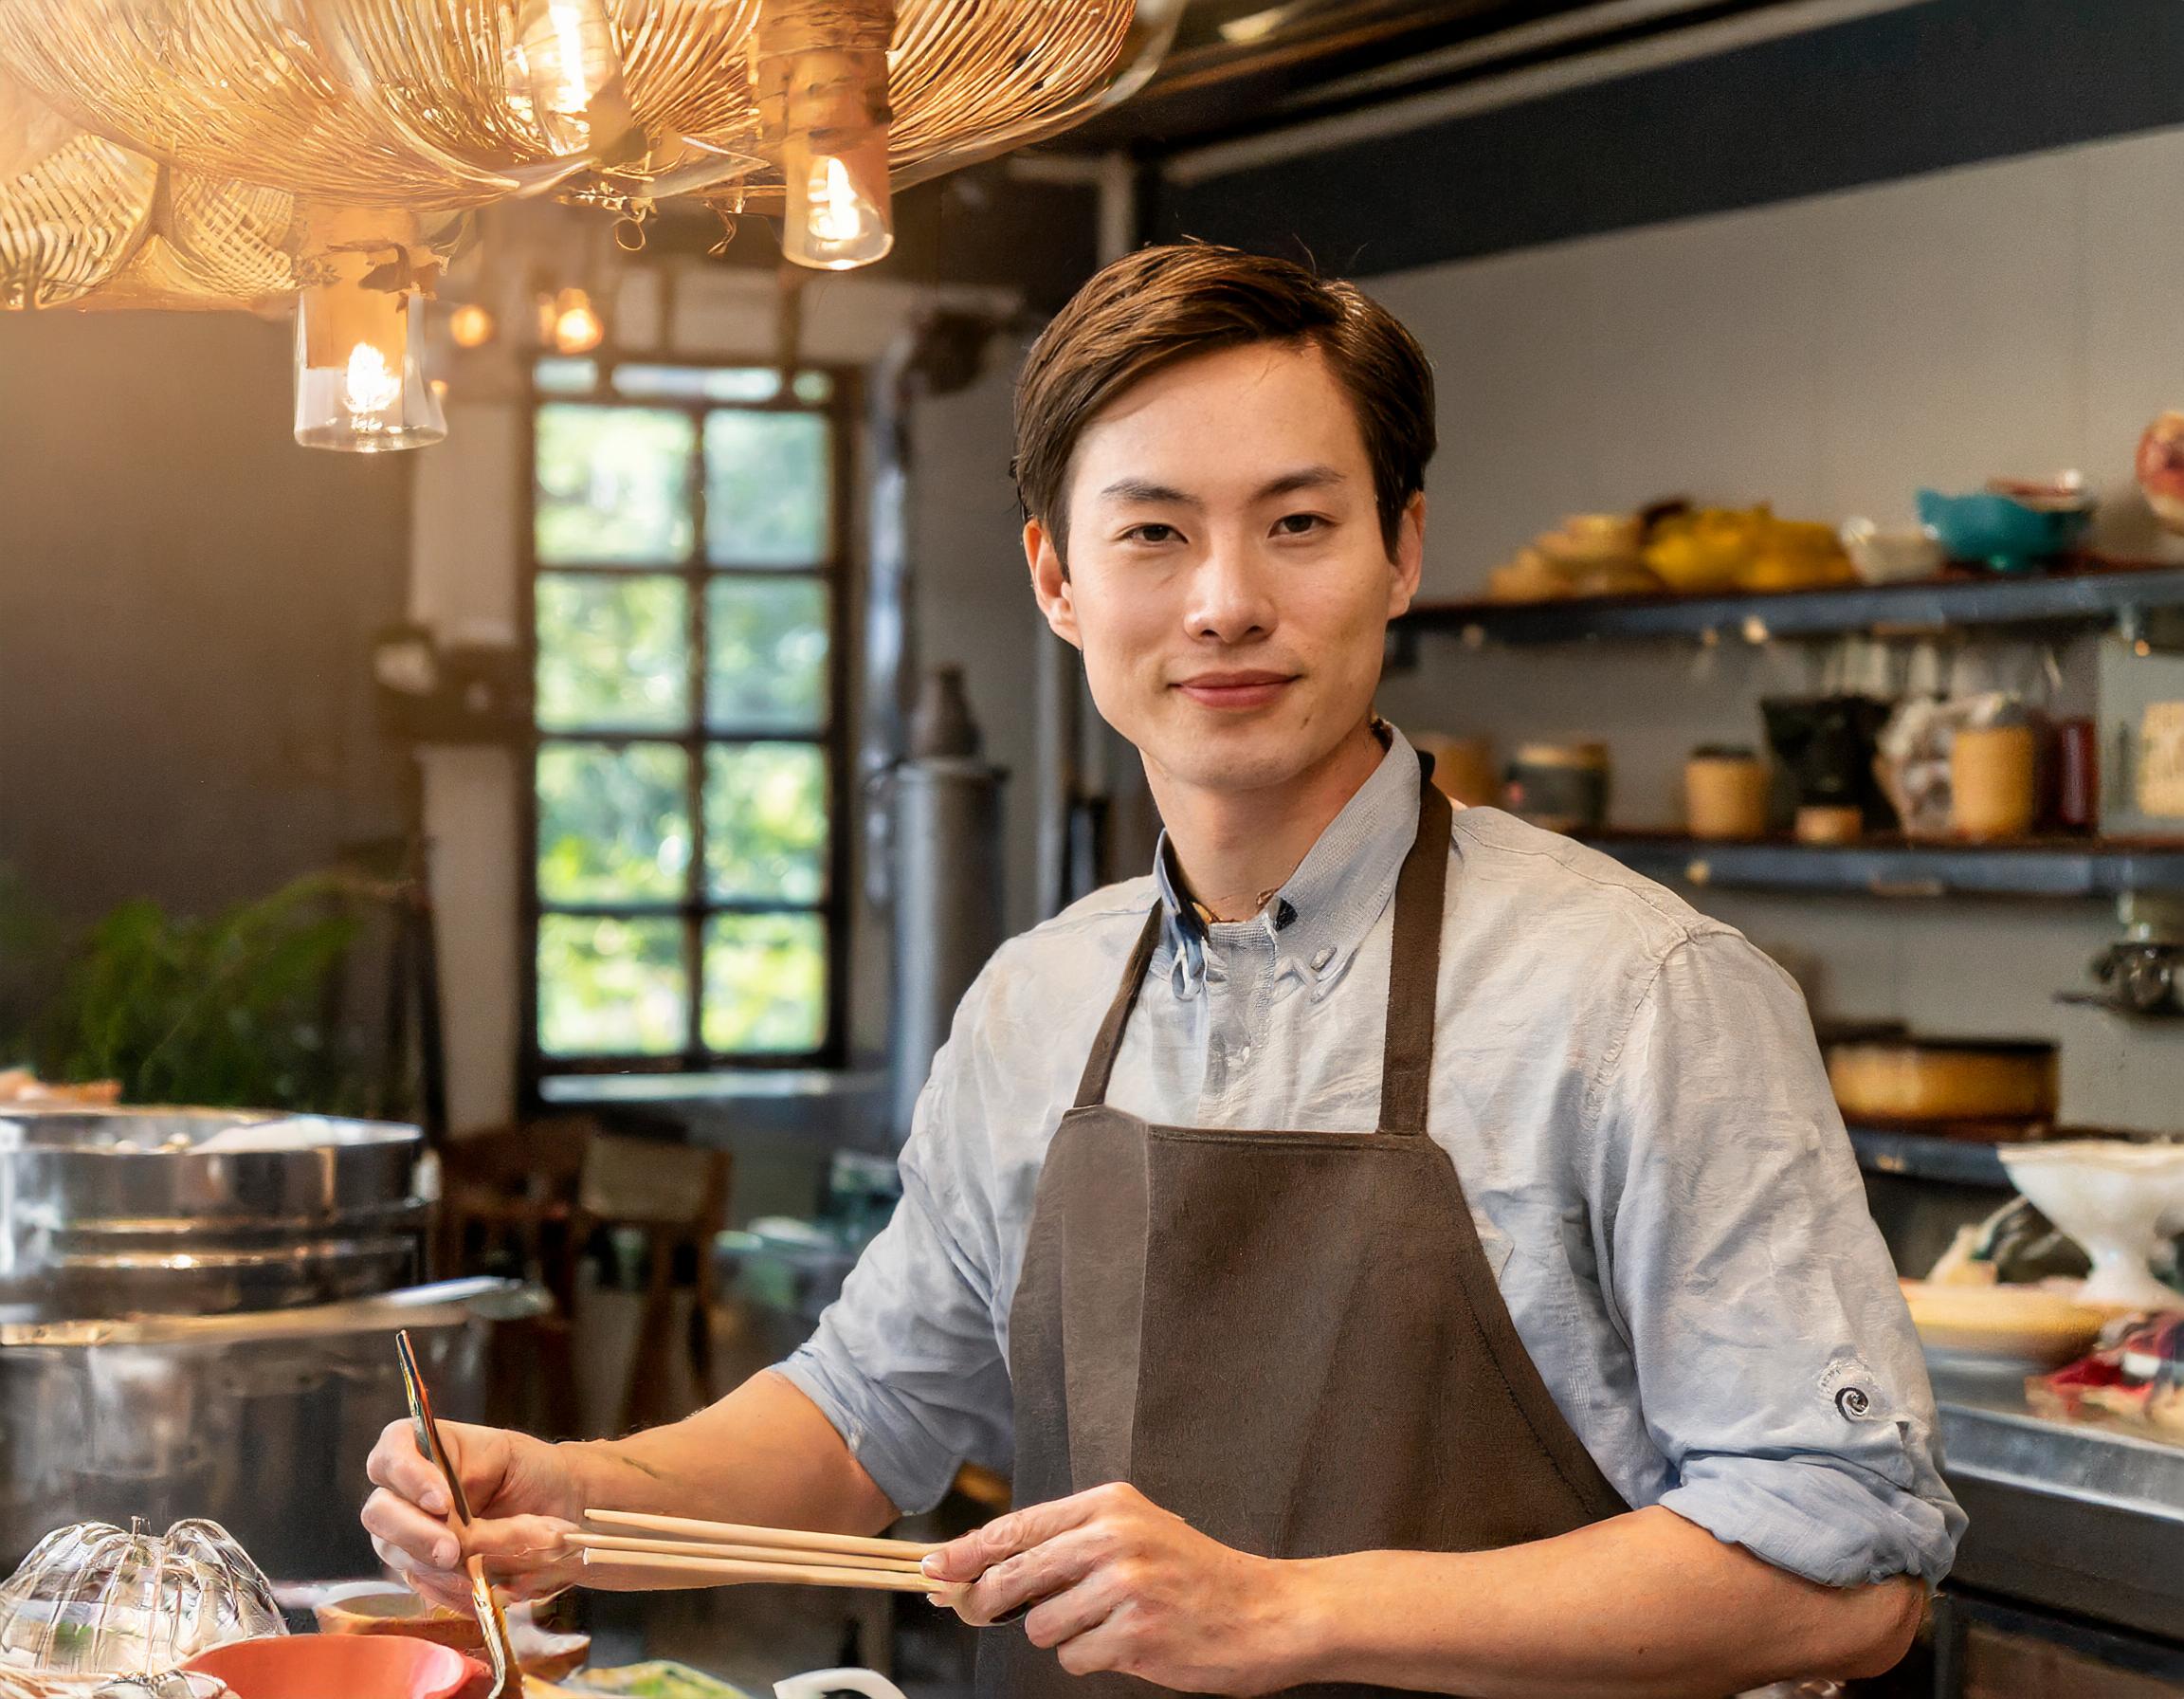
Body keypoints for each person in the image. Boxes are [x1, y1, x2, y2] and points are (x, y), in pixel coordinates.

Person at [365, 243, 1962, 1697]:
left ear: (1400, 552)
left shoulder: (1644, 996)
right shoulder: (1039, 1004)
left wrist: (1291, 1611)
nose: (1226, 603)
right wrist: (580, 1496)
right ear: (1060, 580)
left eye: (1298, 524)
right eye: (1153, 533)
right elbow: (865, 1422)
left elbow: (1845, 1564)